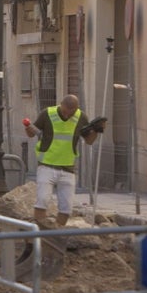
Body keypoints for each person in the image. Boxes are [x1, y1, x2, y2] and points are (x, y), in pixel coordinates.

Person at [24, 93, 101, 229]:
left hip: (68, 169)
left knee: (66, 208)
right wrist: (28, 129)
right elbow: (31, 134)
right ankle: (40, 233)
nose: (66, 116)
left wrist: (97, 130)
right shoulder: (47, 114)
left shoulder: (81, 117)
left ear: (76, 109)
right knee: (42, 200)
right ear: (61, 105)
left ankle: (56, 234)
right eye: (65, 112)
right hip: (46, 166)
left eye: (70, 114)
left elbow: (89, 141)